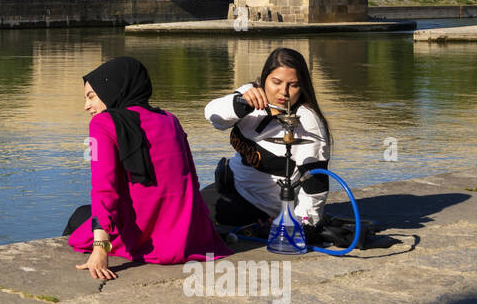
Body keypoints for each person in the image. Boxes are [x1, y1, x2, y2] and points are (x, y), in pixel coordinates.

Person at [65, 56, 228, 279]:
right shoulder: (170, 119)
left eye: (92, 96)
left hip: (146, 241)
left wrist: (101, 249)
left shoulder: (103, 124)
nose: (86, 106)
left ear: (112, 89)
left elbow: (104, 189)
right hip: (188, 239)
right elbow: (191, 181)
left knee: (79, 216)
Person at [203, 47, 333, 237]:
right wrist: (240, 103)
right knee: (182, 204)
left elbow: (315, 185)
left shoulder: (307, 122)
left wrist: (299, 223)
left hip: (261, 206)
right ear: (264, 78)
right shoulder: (251, 93)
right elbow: (213, 116)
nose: (284, 92)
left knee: (190, 219)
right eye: (276, 82)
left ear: (303, 86)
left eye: (294, 85)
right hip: (231, 186)